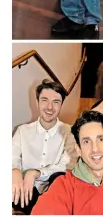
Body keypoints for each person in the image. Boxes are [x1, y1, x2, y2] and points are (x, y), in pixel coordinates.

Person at [12, 81, 76, 215]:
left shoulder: (70, 132)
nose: (50, 107)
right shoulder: (22, 131)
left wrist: (36, 173)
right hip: (25, 193)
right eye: (44, 100)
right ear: (37, 103)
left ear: (61, 105)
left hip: (55, 193)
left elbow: (67, 166)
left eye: (56, 102)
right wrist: (15, 170)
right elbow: (12, 157)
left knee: (59, 177)